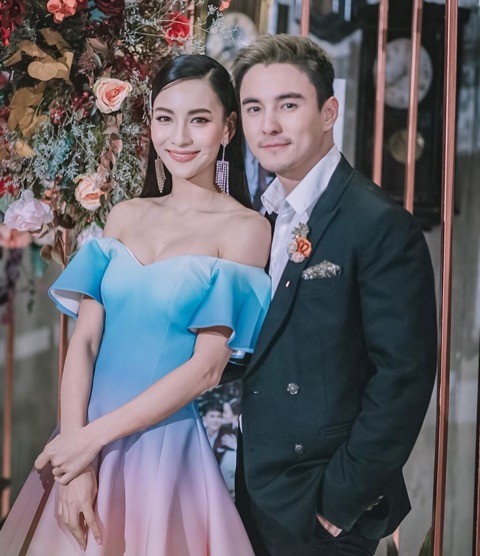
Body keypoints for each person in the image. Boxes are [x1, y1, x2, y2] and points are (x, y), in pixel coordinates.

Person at [0, 54, 271, 556]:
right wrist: (77, 455)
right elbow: (84, 341)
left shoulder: (246, 229)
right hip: (81, 438)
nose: (179, 137)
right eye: (165, 118)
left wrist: (90, 440)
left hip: (160, 449)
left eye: (199, 120)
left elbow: (206, 370)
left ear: (228, 129)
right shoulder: (125, 215)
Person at [231, 35, 437, 555]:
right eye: (253, 108)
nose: (268, 125)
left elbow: (403, 376)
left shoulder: (379, 223)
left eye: (288, 105)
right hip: (250, 494)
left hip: (322, 509)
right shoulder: (260, 219)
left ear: (329, 113)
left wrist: (337, 503)